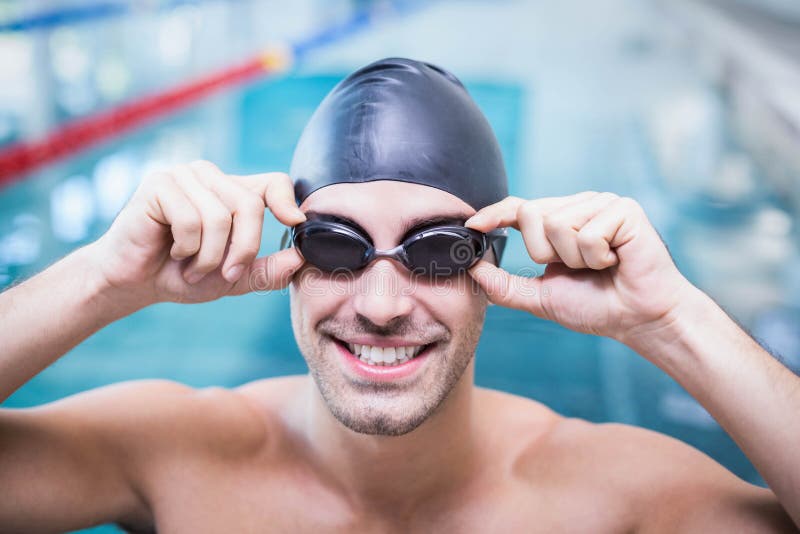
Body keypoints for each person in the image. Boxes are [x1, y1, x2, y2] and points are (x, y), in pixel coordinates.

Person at [0, 58, 798, 533]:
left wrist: (673, 321)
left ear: (491, 267)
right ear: (290, 255)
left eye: (438, 253)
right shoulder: (173, 454)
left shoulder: (614, 494)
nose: (382, 302)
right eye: (336, 245)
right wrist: (104, 279)